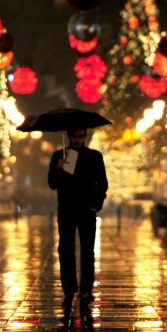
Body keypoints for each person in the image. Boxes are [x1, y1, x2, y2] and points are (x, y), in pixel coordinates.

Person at [48, 127, 108, 309]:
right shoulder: (60, 155)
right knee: (65, 249)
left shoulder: (94, 156)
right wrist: (60, 168)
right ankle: (69, 288)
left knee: (87, 251)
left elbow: (102, 183)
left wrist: (95, 204)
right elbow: (52, 183)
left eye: (80, 136)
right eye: (74, 136)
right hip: (66, 209)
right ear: (69, 136)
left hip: (86, 210)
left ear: (85, 136)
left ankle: (86, 289)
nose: (77, 139)